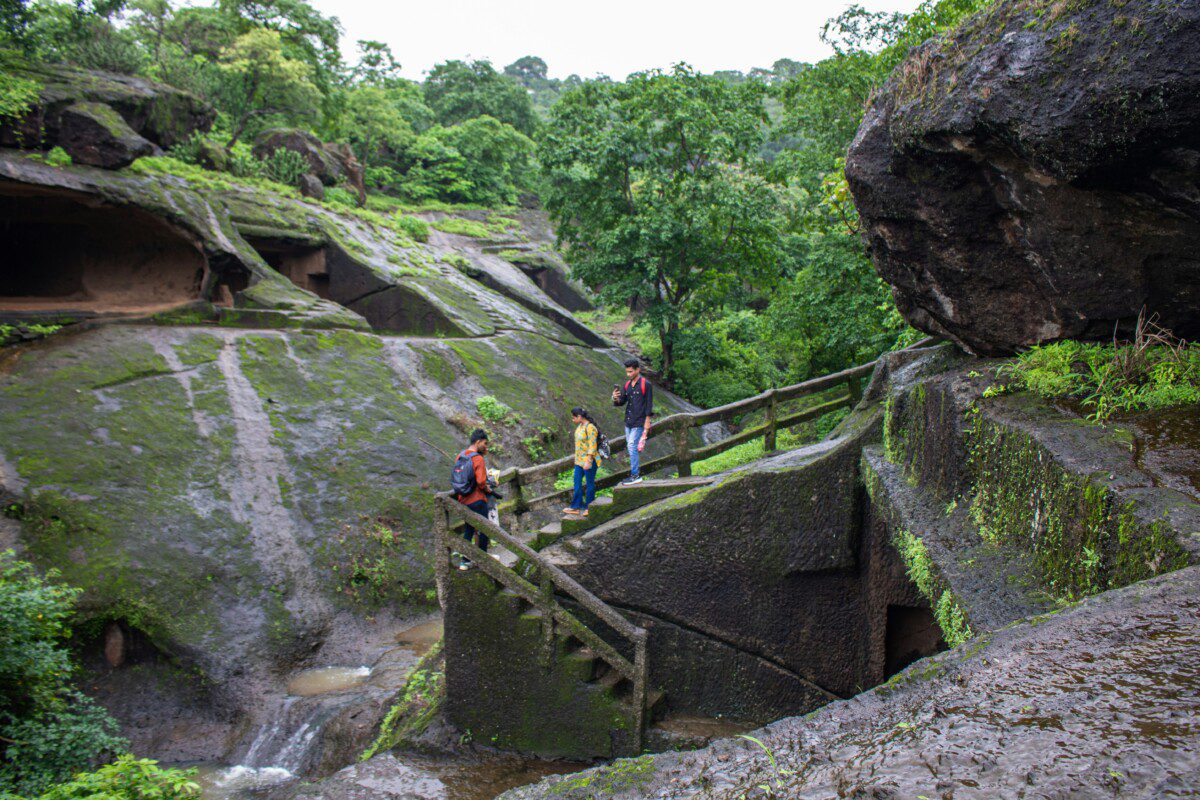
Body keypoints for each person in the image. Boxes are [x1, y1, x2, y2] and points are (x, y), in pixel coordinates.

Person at [453, 428, 494, 570]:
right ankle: (482, 559)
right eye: (485, 443)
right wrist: (488, 488)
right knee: (484, 528)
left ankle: (464, 561)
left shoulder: (460, 455)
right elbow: (481, 482)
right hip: (477, 500)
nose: (486, 447)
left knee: (469, 529)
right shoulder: (478, 458)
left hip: (463, 499)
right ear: (478, 442)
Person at [612, 358, 653, 485]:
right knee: (631, 448)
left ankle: (635, 475)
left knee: (631, 446)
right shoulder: (627, 385)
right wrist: (615, 398)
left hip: (639, 421)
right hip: (628, 421)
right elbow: (621, 402)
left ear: (637, 370)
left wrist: (647, 423)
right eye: (627, 372)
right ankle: (634, 473)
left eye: (631, 372)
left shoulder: (645, 384)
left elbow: (649, 405)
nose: (628, 374)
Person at [563, 407, 601, 517]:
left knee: (590, 484)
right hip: (579, 461)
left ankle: (589, 507)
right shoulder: (580, 426)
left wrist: (589, 460)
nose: (572, 419)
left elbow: (592, 445)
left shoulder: (590, 428)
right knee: (577, 482)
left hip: (589, 461)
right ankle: (576, 506)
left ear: (579, 417)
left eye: (573, 417)